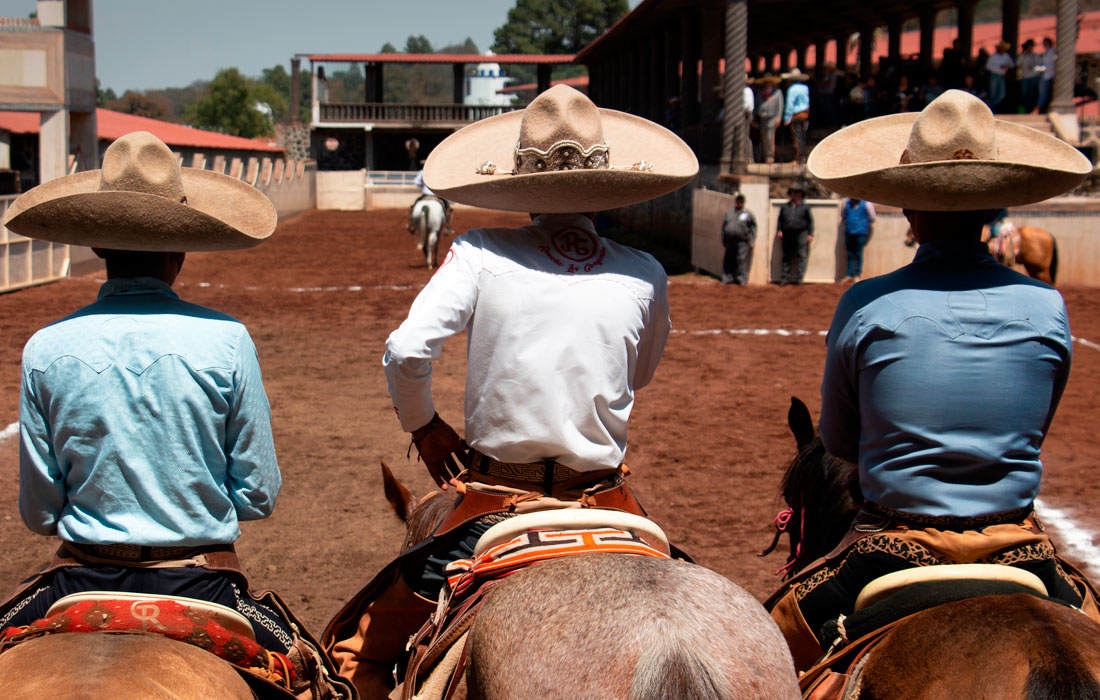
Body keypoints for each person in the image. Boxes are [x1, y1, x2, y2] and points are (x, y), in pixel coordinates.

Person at [324, 85, 697, 699]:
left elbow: (408, 350)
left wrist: (425, 427)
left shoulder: (478, 253)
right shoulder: (645, 272)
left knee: (358, 650)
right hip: (608, 504)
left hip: (496, 503)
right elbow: (640, 374)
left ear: (522, 187)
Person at [0, 131, 350, 698]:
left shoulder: (44, 347)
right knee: (319, 680)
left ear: (98, 248)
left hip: (78, 573)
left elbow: (40, 513)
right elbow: (258, 494)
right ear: (181, 251)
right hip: (201, 579)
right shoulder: (227, 340)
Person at [769, 89, 1097, 672]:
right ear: (994, 207)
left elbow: (842, 446)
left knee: (771, 652)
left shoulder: (868, 303)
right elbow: (1035, 426)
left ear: (909, 209)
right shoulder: (1047, 306)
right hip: (1017, 542)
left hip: (896, 543)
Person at [776, 183, 814, 285]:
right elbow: (780, 220)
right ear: (791, 194)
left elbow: (810, 221)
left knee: (801, 255)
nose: (796, 194)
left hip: (801, 232)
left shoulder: (805, 207)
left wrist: (810, 234)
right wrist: (779, 230)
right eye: (794, 192)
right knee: (786, 255)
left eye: (798, 193)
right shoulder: (785, 207)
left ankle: (799, 278)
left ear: (801, 194)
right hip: (787, 233)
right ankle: (785, 278)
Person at [721, 193, 757, 285]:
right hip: (730, 240)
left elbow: (754, 226)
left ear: (743, 202)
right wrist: (723, 238)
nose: (739, 203)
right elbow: (724, 226)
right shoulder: (729, 212)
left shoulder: (747, 214)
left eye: (741, 201)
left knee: (741, 260)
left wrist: (752, 240)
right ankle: (727, 279)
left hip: (742, 241)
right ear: (736, 201)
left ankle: (742, 280)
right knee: (728, 260)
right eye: (738, 201)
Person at [840, 197, 875, 283]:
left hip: (861, 232)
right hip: (849, 232)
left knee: (858, 254)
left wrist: (864, 224)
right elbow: (843, 216)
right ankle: (849, 275)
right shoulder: (846, 204)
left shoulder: (867, 204)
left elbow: (872, 217)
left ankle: (857, 275)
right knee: (850, 254)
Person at [408, 168, 453, 235]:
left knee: (413, 207)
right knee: (448, 209)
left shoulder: (422, 172)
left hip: (425, 195)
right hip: (437, 196)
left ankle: (412, 225)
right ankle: (447, 228)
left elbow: (416, 182)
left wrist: (422, 184)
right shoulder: (439, 172)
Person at [782, 71, 811, 164]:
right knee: (803, 136)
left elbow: (790, 104)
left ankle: (798, 158)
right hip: (805, 114)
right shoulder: (805, 88)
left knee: (797, 136)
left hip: (796, 114)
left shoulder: (792, 89)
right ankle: (803, 157)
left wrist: (787, 118)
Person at [757, 74, 784, 164]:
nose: (767, 84)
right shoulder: (760, 93)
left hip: (772, 118)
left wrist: (779, 117)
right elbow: (757, 104)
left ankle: (770, 156)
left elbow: (780, 106)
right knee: (764, 138)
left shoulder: (777, 92)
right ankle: (766, 155)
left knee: (770, 137)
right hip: (763, 118)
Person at [985, 41, 1014, 112]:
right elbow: (988, 67)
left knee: (1001, 94)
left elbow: (1012, 65)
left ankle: (991, 107)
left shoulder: (1006, 56)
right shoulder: (993, 56)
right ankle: (991, 109)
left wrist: (1006, 66)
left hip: (1001, 76)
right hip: (994, 76)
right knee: (993, 93)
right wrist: (997, 69)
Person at [1018, 39, 1043, 113]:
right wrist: (1023, 54)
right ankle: (1025, 109)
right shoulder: (1023, 55)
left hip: (1033, 77)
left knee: (1032, 94)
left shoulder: (1036, 56)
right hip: (1025, 77)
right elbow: (1018, 63)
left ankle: (1031, 109)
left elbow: (1040, 67)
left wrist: (1033, 68)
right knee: (1024, 94)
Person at [1037, 37, 1056, 113]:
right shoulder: (1047, 52)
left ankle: (1039, 108)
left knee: (1044, 93)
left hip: (1048, 75)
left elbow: (1049, 65)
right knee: (1043, 92)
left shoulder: (1052, 52)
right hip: (1045, 74)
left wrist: (1040, 68)